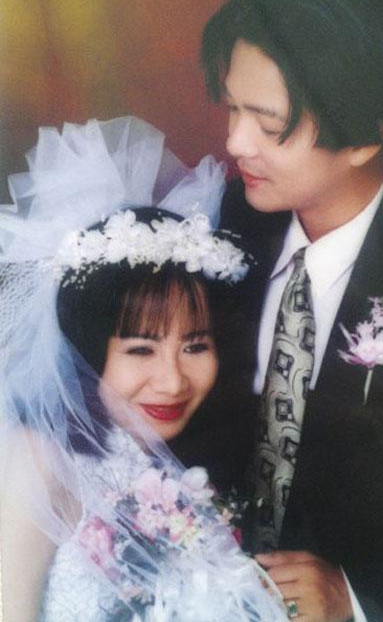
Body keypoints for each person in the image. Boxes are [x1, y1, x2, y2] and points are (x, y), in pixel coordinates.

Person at [201, 0, 383, 622]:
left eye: (267, 122)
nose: (234, 142)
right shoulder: (220, 222)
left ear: (366, 135)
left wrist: (358, 603)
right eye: (231, 108)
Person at [0, 116, 288, 621]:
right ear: (88, 349)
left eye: (195, 346)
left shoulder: (165, 457)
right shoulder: (38, 461)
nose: (173, 381)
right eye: (140, 350)